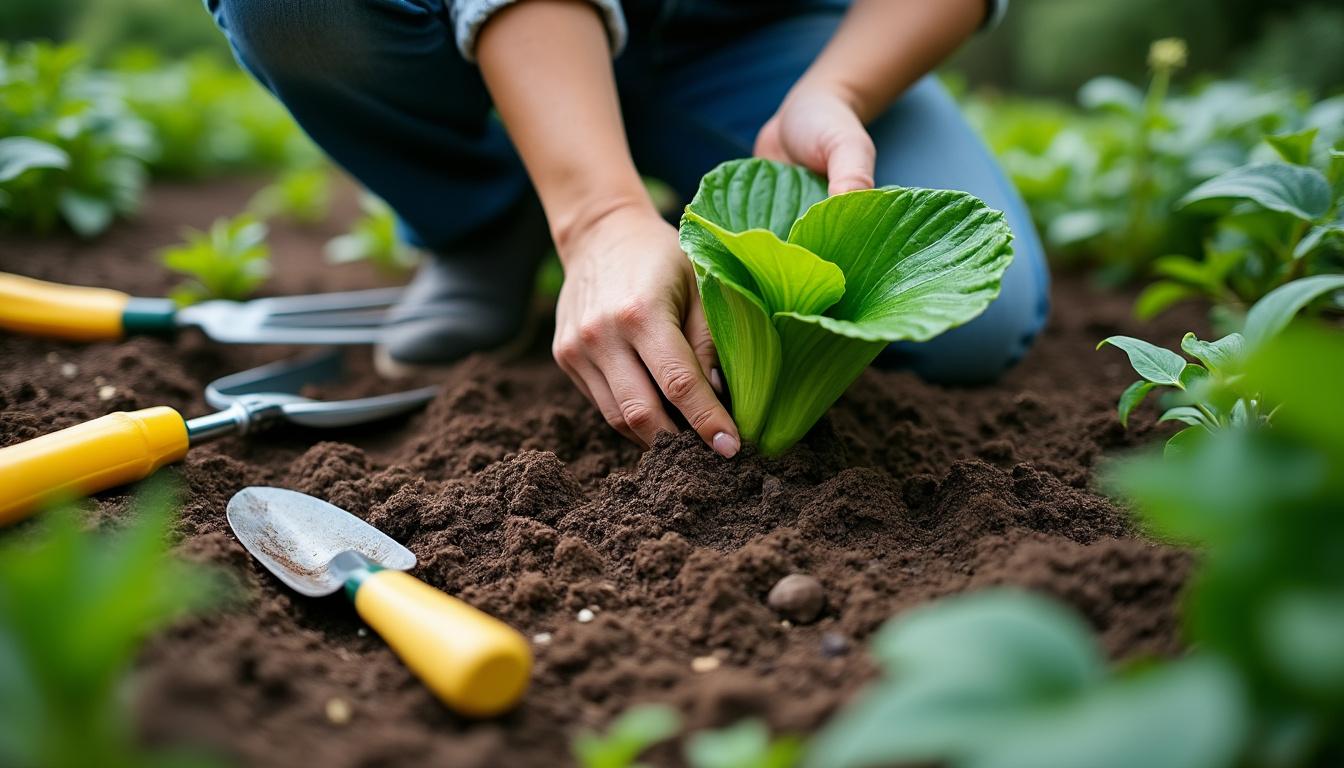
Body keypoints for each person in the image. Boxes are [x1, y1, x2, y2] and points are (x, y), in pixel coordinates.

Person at [205, 0, 1049, 459]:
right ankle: (485, 216)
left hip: (756, 30)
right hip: (500, 27)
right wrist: (597, 215)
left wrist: (839, 92)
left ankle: (644, 193)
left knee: (983, 320)